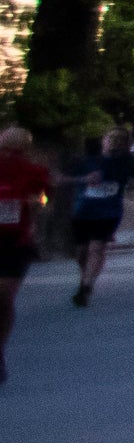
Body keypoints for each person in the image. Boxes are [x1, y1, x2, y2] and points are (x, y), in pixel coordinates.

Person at [66, 130, 134, 310]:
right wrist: (83, 178)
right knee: (81, 252)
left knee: (97, 248)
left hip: (109, 213)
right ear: (104, 141)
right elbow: (63, 178)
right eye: (111, 139)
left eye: (120, 140)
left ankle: (87, 285)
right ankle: (85, 277)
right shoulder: (86, 161)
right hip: (83, 212)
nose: (114, 143)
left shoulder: (127, 162)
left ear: (126, 144)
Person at [0, 124, 46, 383]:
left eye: (15, 151)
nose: (8, 156)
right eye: (5, 150)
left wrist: (35, 201)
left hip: (16, 242)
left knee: (4, 296)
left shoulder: (33, 172)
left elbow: (45, 199)